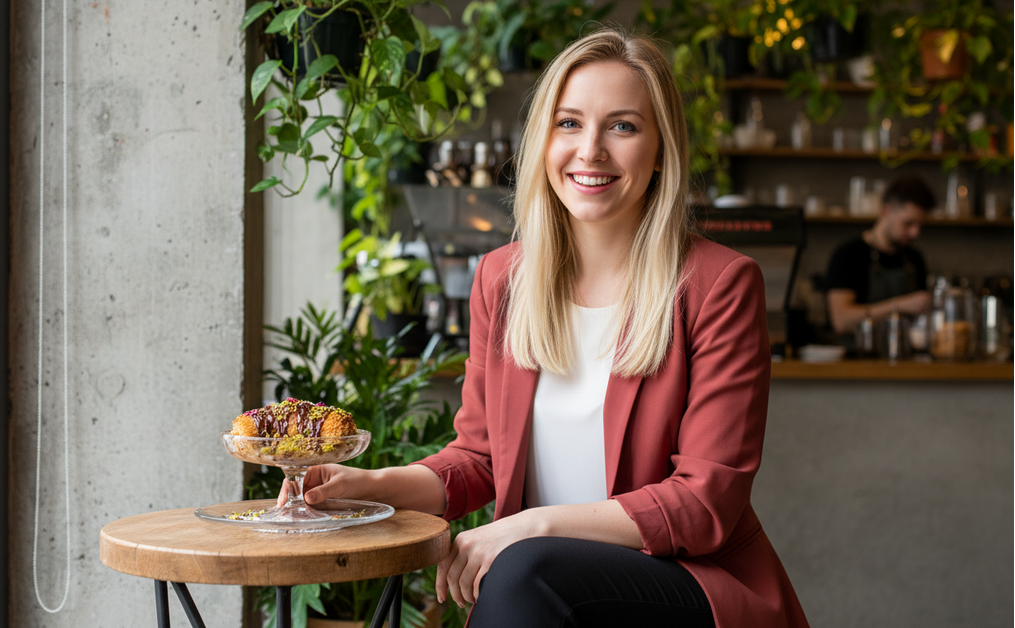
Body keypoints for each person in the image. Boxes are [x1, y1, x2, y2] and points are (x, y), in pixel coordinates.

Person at [281, 29, 808, 628]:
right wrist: (370, 486)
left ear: (661, 149)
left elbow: (703, 501)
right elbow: (480, 457)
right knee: (524, 577)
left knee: (522, 573)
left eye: (624, 127)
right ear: (543, 142)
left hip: (687, 582)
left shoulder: (719, 284)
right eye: (569, 123)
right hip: (539, 585)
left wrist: (528, 528)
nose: (591, 151)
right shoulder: (503, 280)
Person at [825, 176, 936, 335]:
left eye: (920, 226)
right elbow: (841, 321)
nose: (915, 233)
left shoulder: (914, 258)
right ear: (885, 211)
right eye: (908, 223)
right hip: (858, 356)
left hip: (907, 355)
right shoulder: (848, 254)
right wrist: (899, 305)